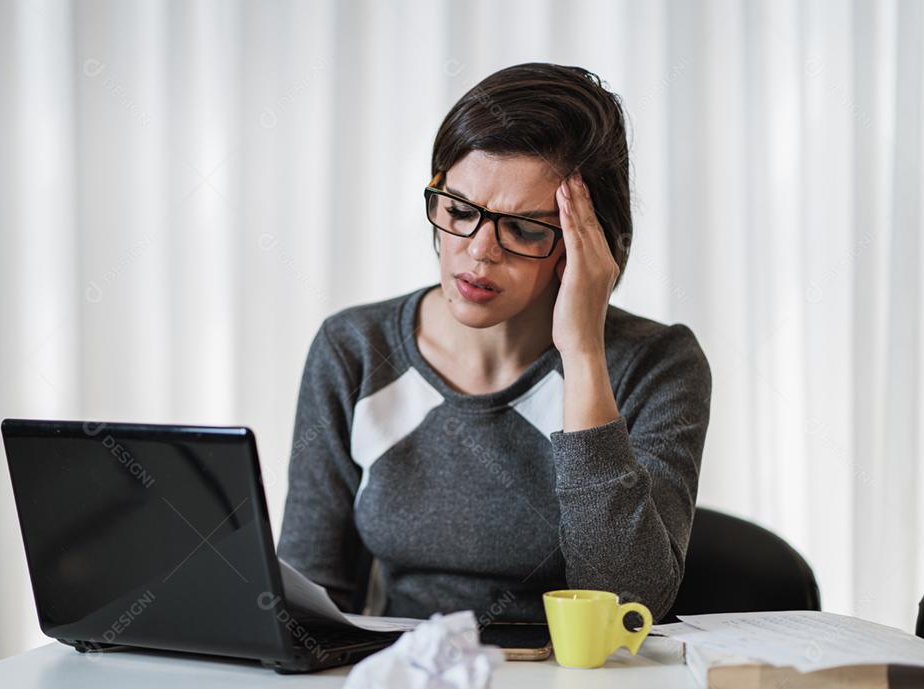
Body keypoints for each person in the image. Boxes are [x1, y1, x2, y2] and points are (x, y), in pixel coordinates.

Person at [277, 62, 712, 625]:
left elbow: (627, 605)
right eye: (460, 211)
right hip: (408, 688)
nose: (480, 251)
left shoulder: (656, 364)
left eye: (525, 229)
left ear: (590, 240)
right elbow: (307, 600)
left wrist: (582, 355)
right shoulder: (355, 348)